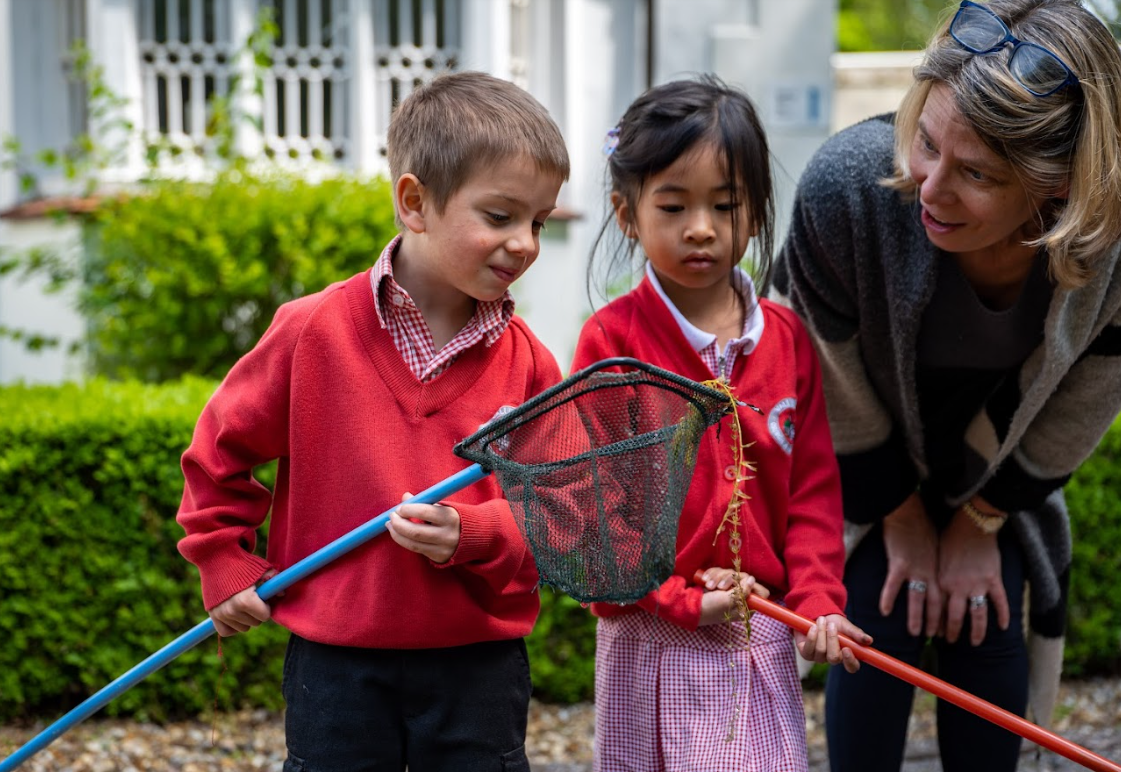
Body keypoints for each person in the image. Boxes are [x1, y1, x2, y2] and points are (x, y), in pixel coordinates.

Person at [174, 71, 570, 771]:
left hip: (477, 668)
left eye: (538, 221)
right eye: (502, 216)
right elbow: (221, 452)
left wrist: (476, 534)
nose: (527, 243)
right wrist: (224, 559)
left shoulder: (533, 368)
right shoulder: (310, 333)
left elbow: (563, 512)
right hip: (335, 668)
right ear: (415, 203)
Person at [772, 1, 1121, 770]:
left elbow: (1083, 405)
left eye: (975, 174)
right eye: (925, 142)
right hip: (860, 458)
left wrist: (980, 522)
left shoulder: (1112, 253)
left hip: (997, 475)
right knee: (874, 612)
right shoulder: (850, 188)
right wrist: (897, 515)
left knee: (987, 614)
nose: (929, 187)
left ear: (1059, 188)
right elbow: (822, 370)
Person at [571, 74, 871, 772]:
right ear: (626, 213)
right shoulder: (609, 345)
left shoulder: (789, 338)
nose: (701, 226)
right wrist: (674, 599)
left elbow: (814, 495)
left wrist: (821, 599)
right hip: (648, 634)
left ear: (758, 212)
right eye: (673, 205)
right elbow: (597, 510)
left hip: (758, 630)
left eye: (726, 204)